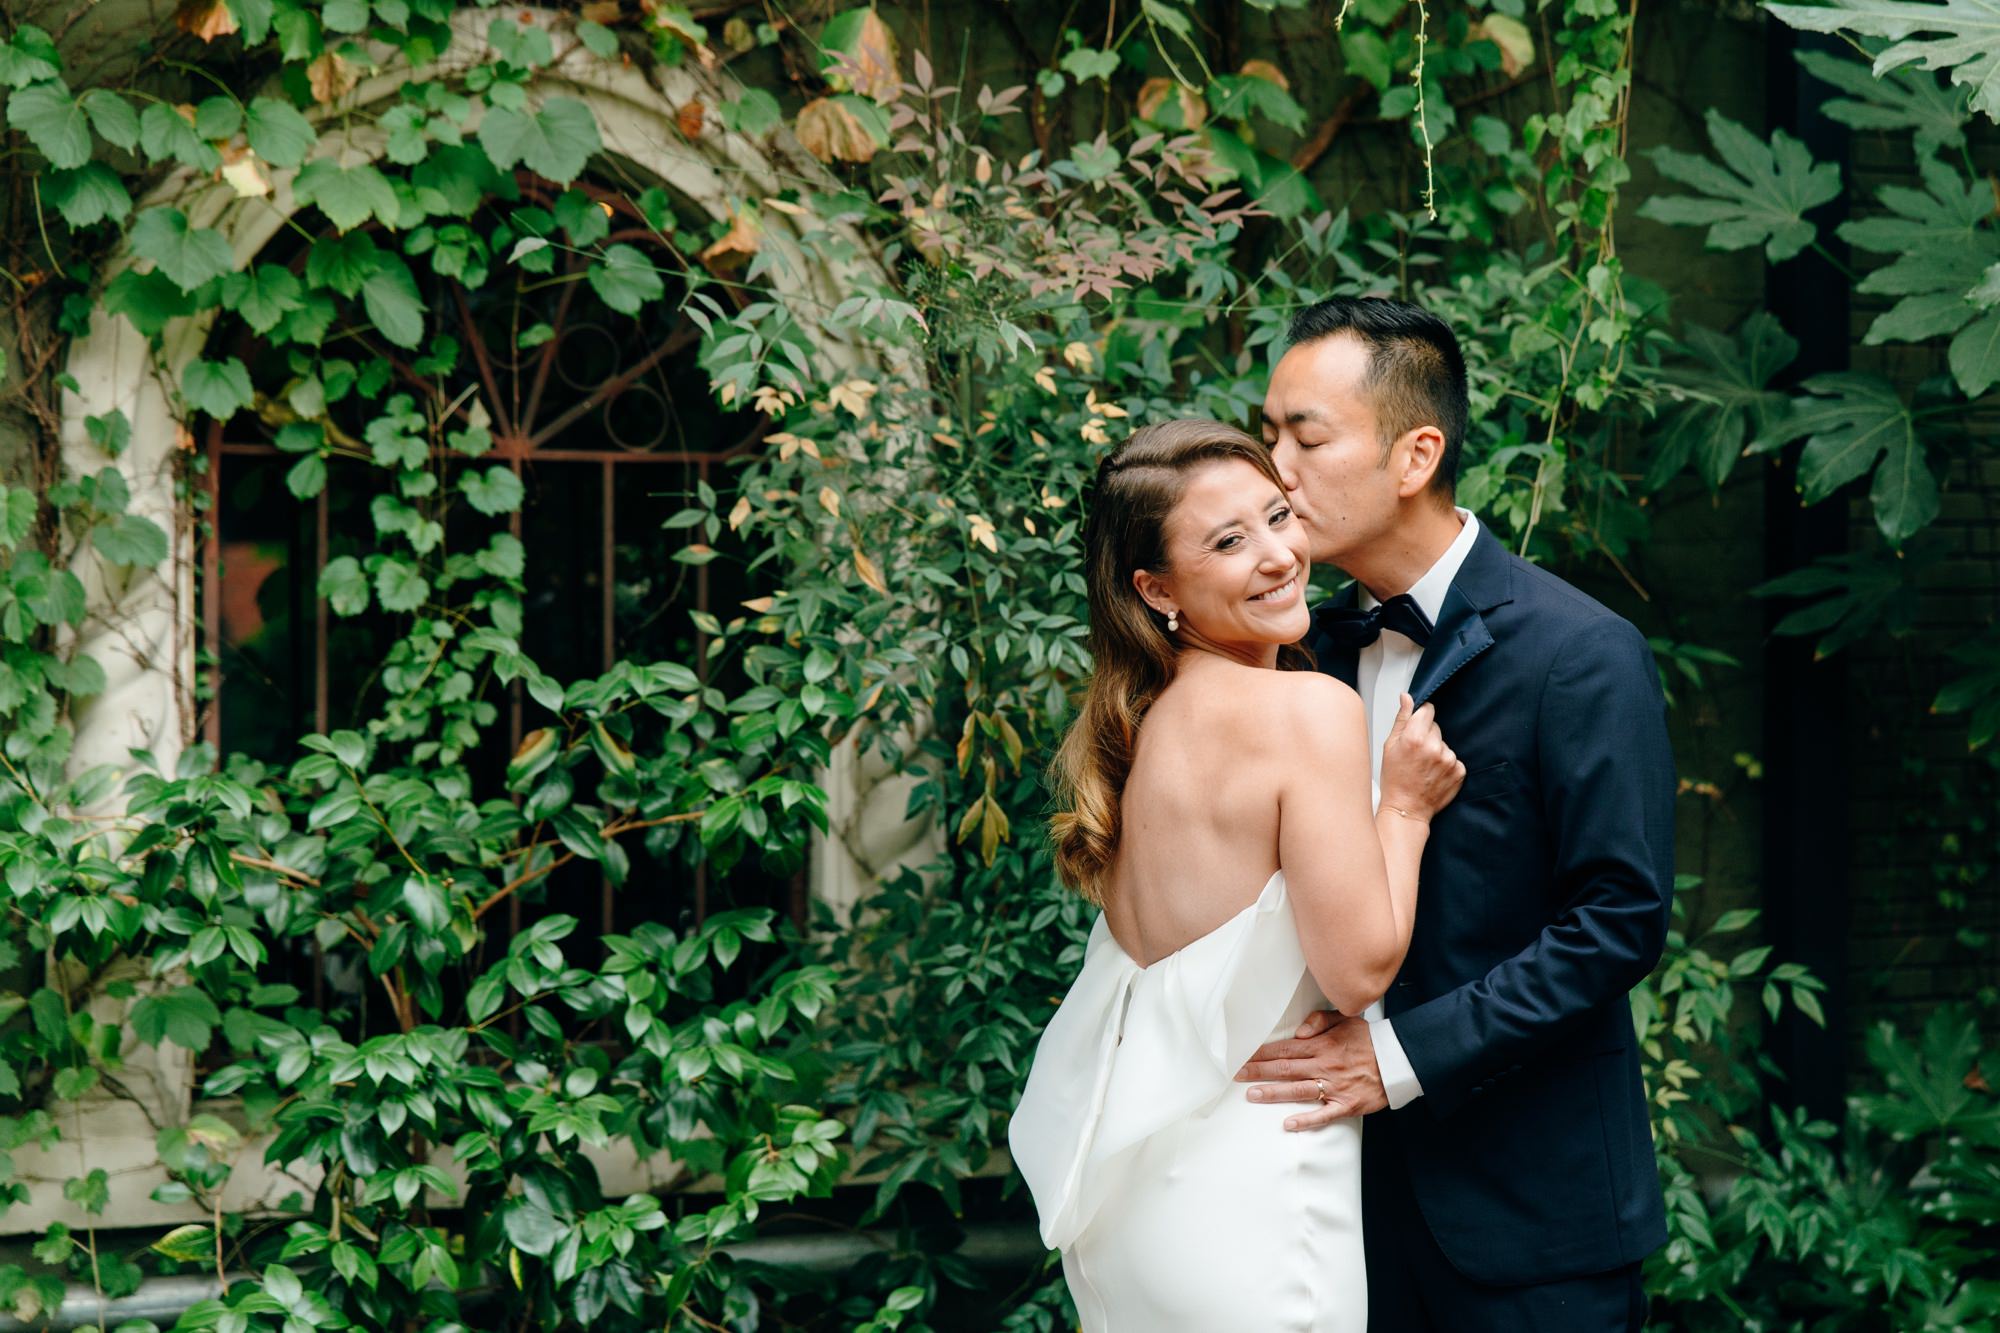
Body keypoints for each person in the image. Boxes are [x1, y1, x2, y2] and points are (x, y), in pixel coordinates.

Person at [1237, 295, 1674, 1331]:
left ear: (1413, 454)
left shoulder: (1579, 654)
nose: (1275, 473)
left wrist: (1394, 1060)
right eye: (1266, 439)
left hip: (1532, 1219)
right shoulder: (1303, 653)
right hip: (1333, 1212)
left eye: (1305, 437)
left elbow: (1615, 921)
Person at [1008, 417, 1465, 1331]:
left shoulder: (1142, 725)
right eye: (1228, 541)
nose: (1278, 555)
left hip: (1141, 1200)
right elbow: (1359, 969)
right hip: (1257, 1196)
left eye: (1277, 516)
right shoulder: (1304, 709)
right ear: (1157, 588)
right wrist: (1404, 813)